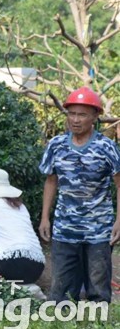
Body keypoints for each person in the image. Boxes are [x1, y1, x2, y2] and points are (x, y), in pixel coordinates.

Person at [38, 86, 120, 303]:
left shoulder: (107, 147)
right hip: (65, 228)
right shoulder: (56, 145)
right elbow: (51, 180)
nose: (75, 120)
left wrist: (119, 221)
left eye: (82, 114)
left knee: (98, 289)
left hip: (98, 229)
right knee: (61, 291)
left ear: (94, 116)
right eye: (72, 114)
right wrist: (45, 217)